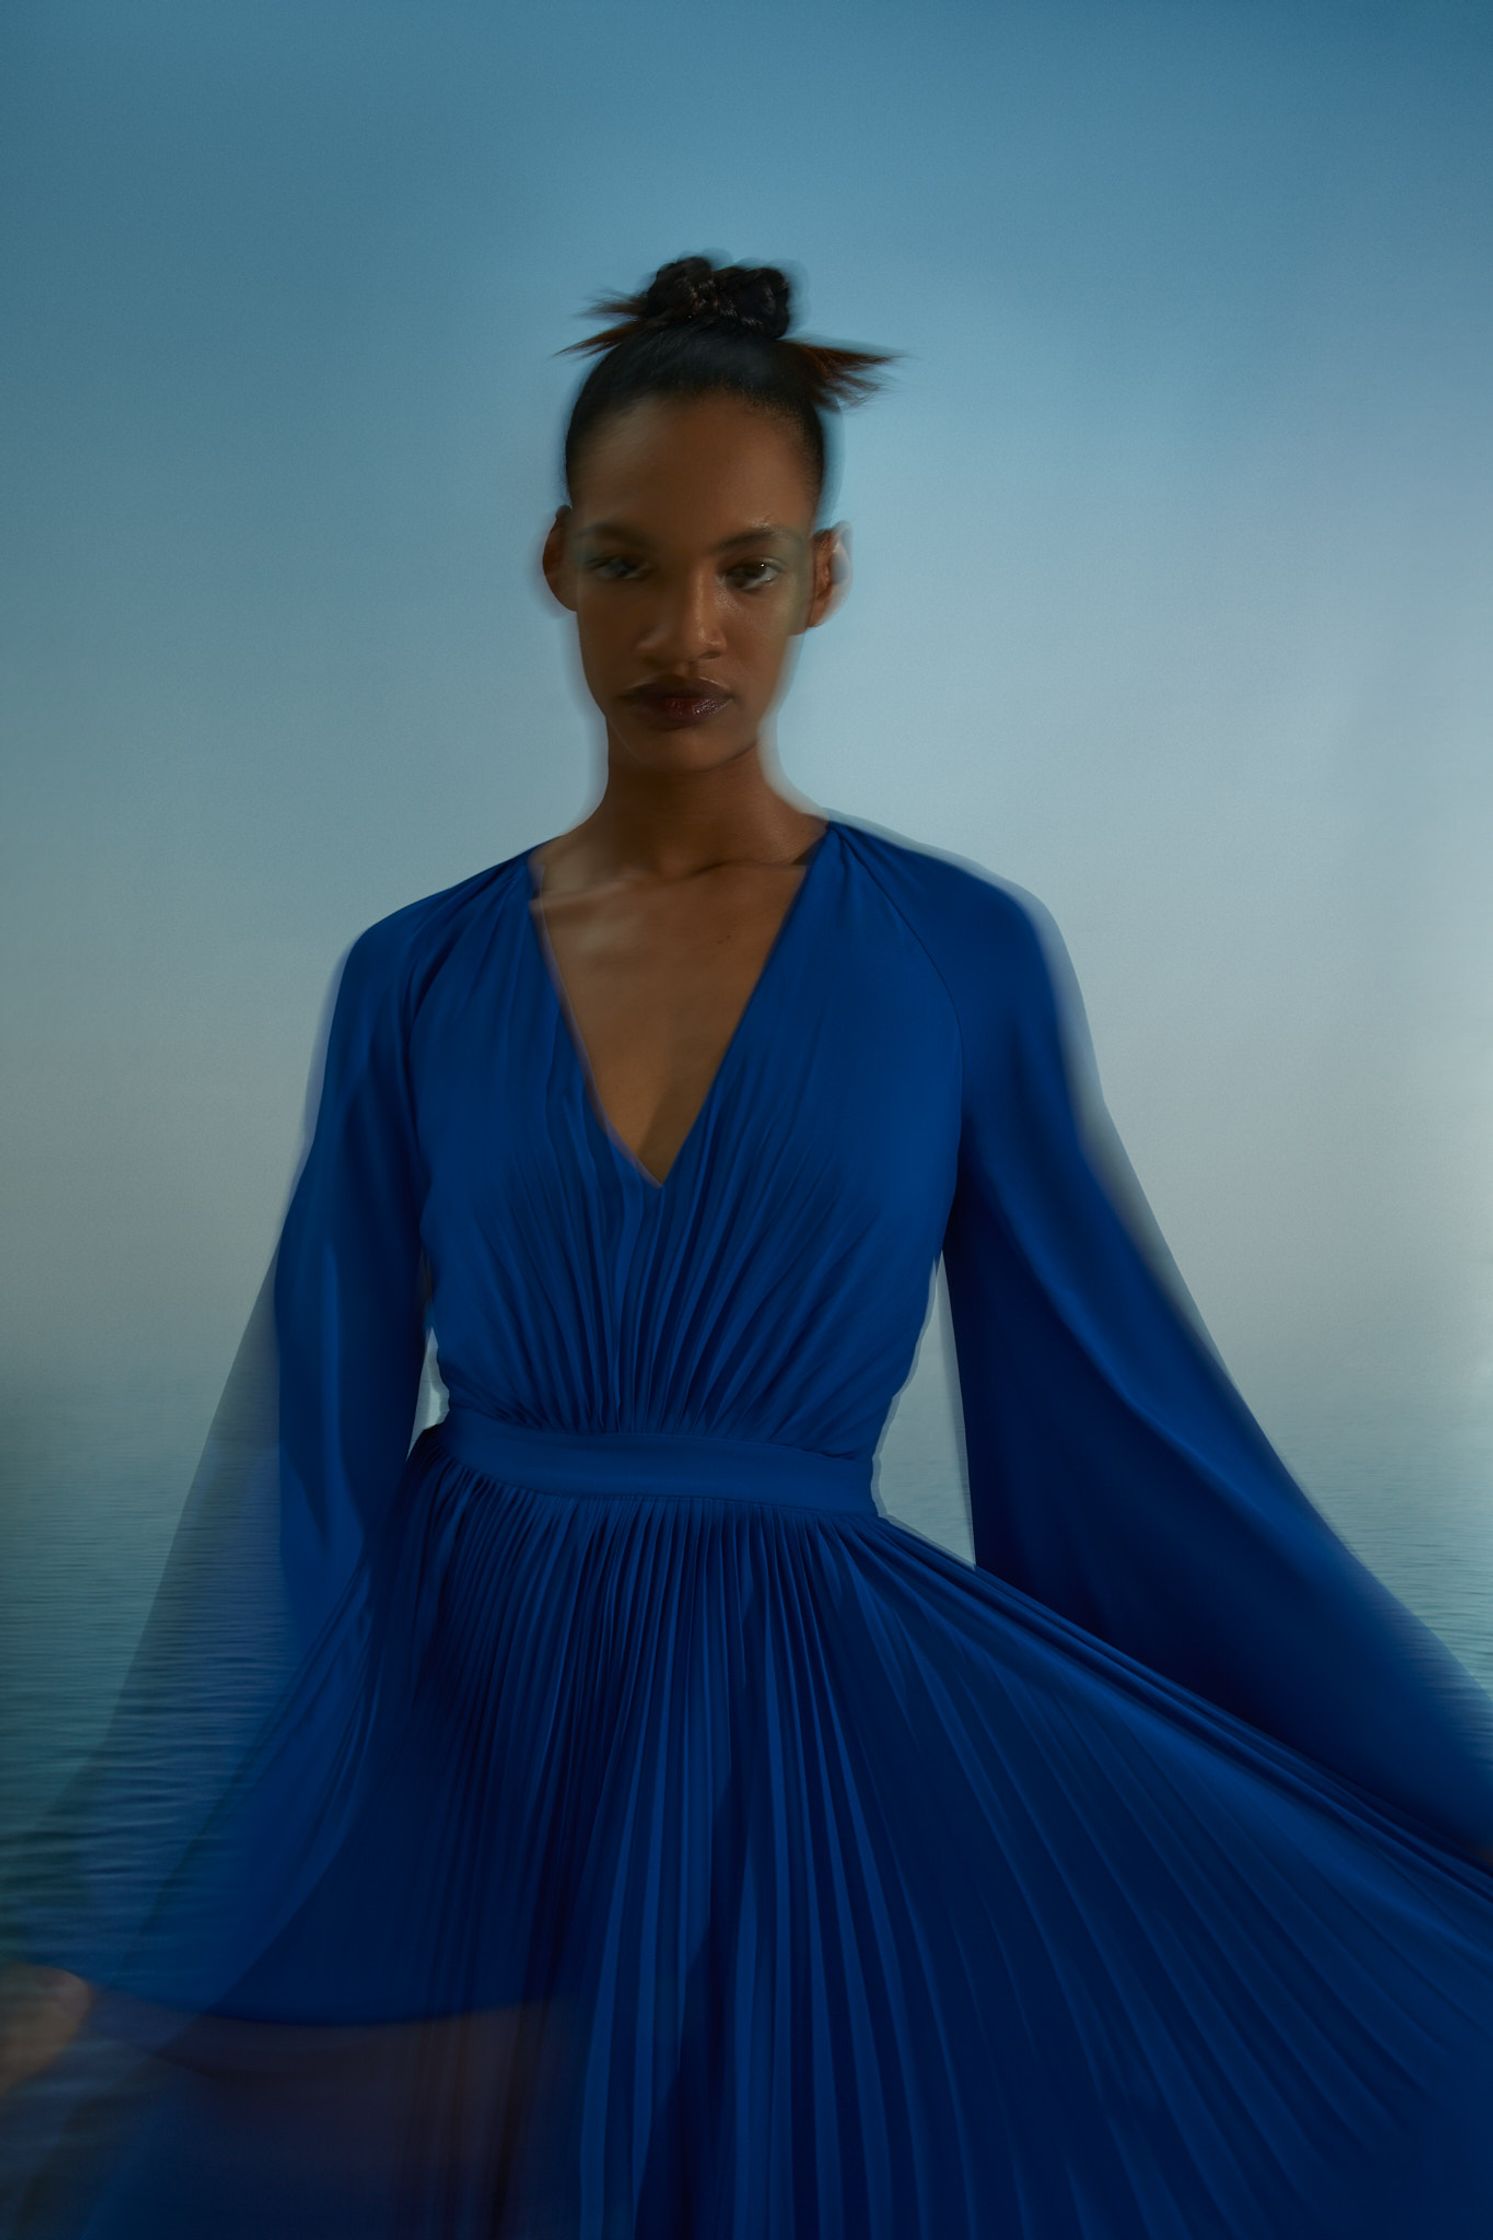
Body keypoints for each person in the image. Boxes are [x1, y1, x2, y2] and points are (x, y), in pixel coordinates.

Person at [4, 252, 1493, 2236]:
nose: (684, 628)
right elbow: (310, 1469)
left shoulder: (962, 959)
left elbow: (1131, 1434)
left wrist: (1406, 1795)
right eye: (631, 563)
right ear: (557, 562)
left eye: (747, 569)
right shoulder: (415, 978)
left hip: (791, 1740)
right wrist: (120, 1924)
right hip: (467, 1726)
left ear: (824, 580)